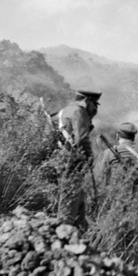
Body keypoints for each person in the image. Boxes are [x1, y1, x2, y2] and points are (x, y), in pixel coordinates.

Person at [53, 90, 102, 227]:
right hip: (72, 161)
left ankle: (80, 232)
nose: (95, 109)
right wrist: (89, 158)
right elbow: (82, 139)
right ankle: (64, 232)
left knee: (78, 199)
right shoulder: (79, 112)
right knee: (70, 201)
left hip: (62, 158)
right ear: (87, 101)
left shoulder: (65, 110)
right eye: (94, 105)